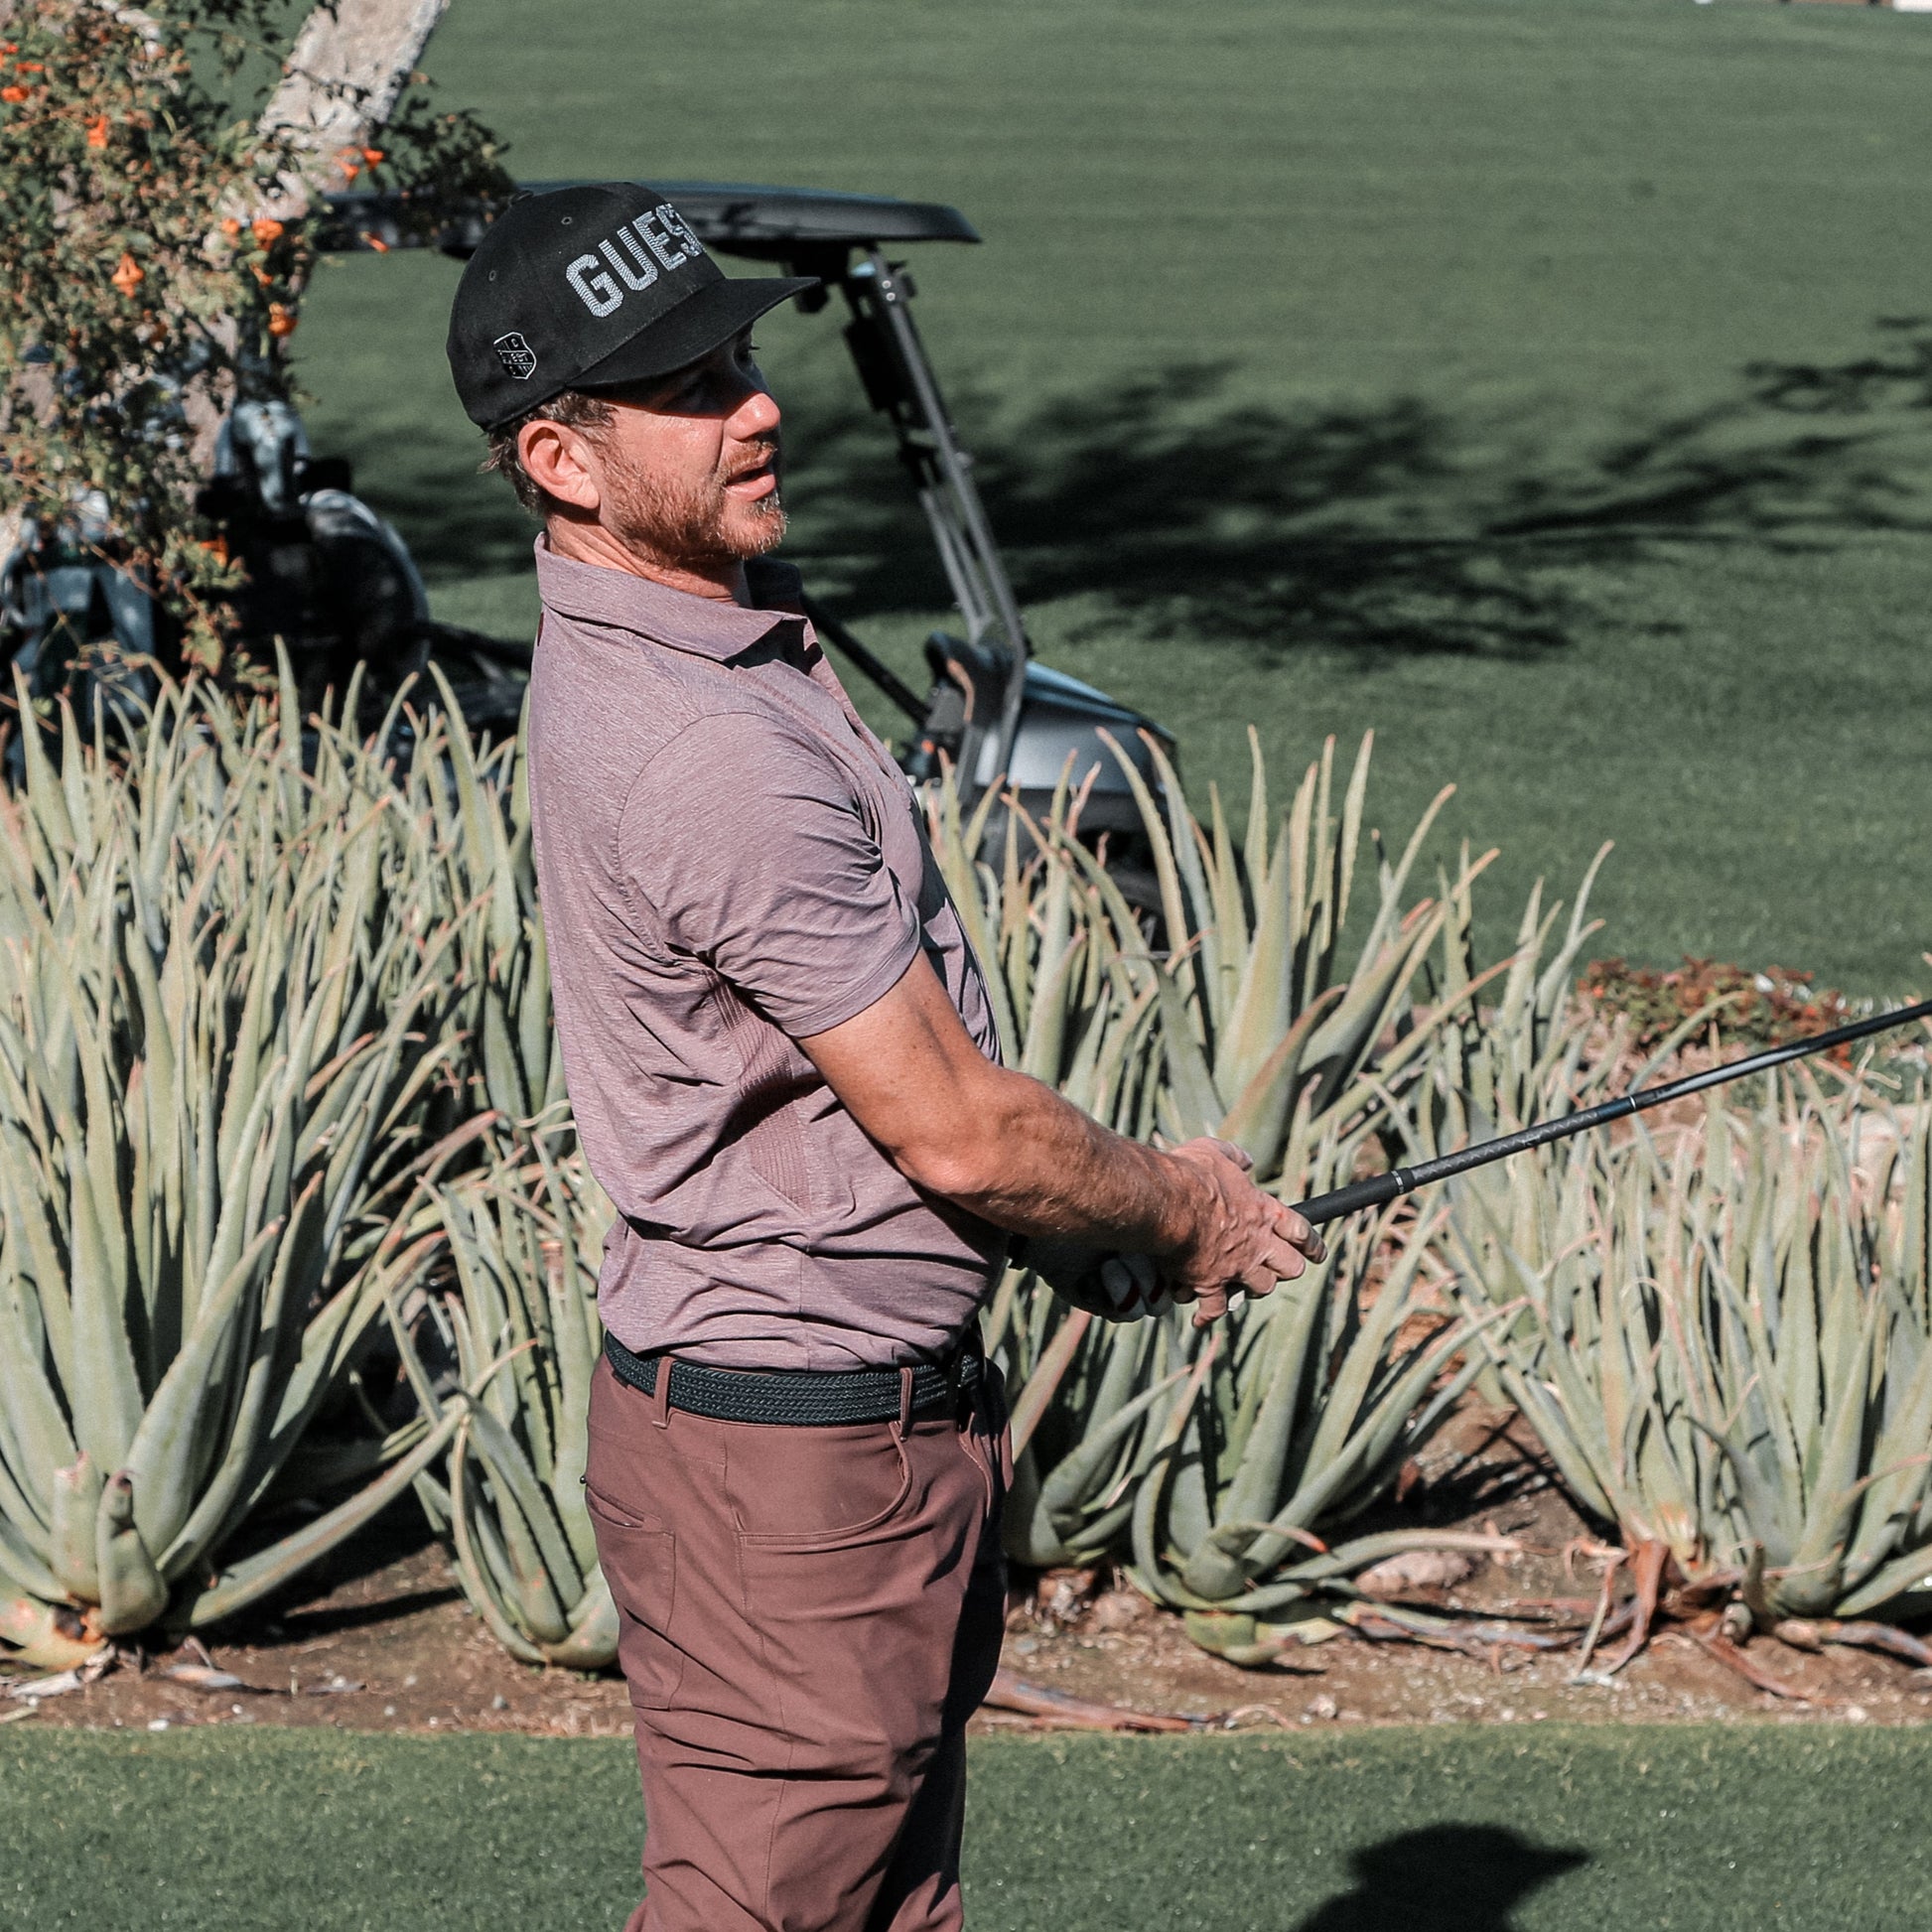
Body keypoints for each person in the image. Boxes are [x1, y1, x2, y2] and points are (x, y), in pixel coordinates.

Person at [446, 181, 1324, 1932]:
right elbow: (955, 1130)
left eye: (740, 354)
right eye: (686, 385)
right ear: (560, 455)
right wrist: (1172, 1208)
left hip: (820, 1445)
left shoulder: (682, 651)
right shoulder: (709, 749)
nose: (754, 399)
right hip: (796, 1472)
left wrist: (1087, 1229)